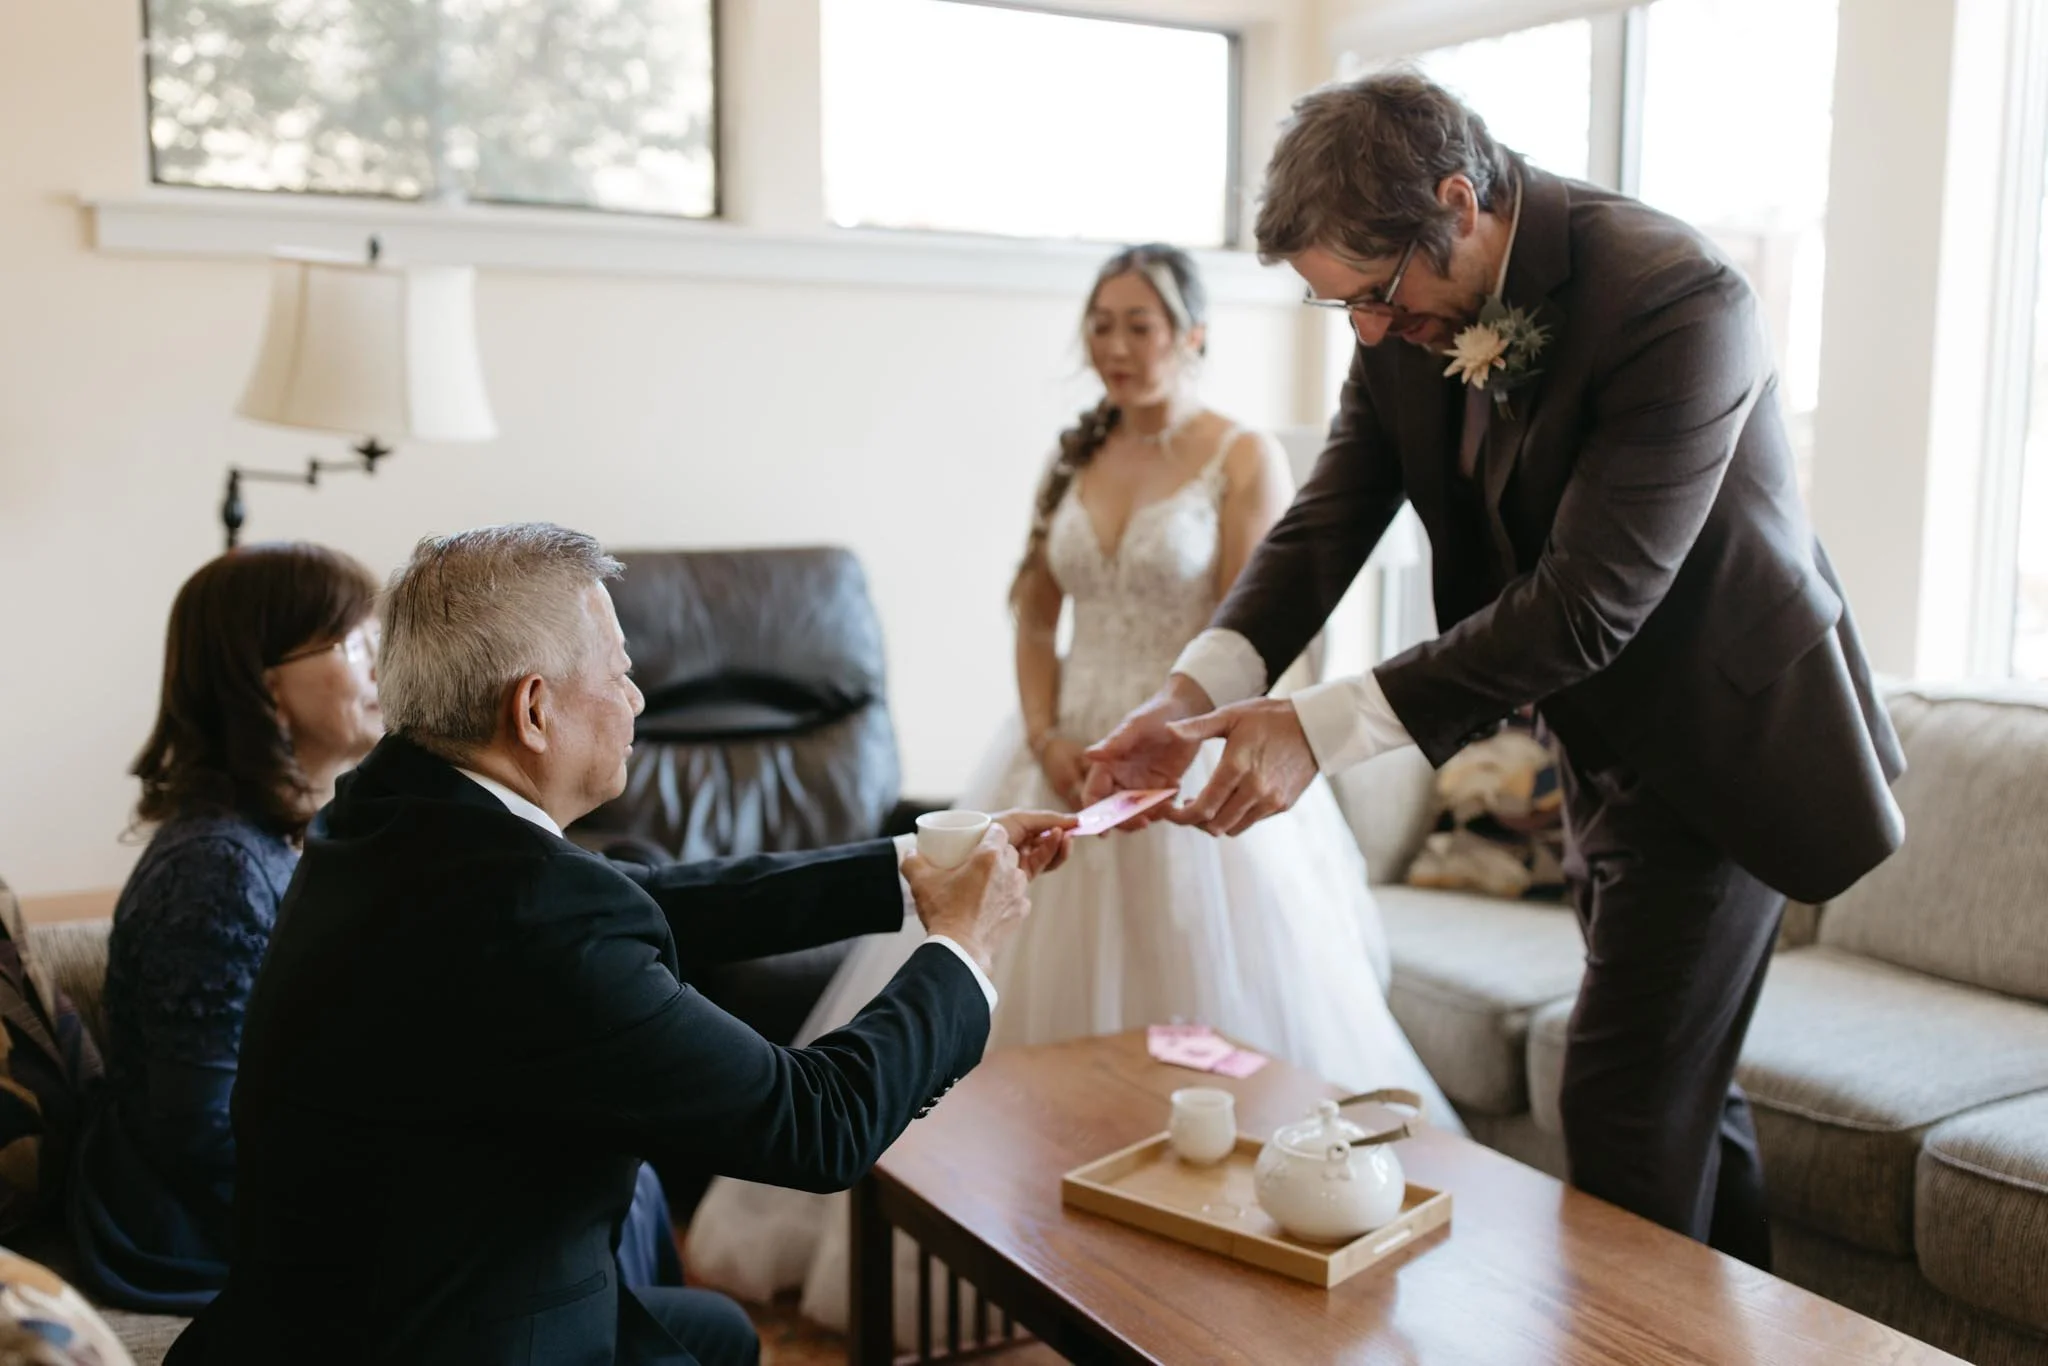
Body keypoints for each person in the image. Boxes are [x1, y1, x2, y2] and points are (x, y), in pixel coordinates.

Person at [1085, 73, 1905, 1270]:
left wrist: (1314, 728)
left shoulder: (1680, 300)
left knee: (1622, 1108)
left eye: (1371, 295)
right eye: (1337, 309)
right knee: (1684, 1104)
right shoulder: (1404, 312)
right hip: (1596, 744)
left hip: (1729, 749)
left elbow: (1588, 602)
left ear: (1457, 203)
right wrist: (1193, 689)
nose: (1365, 330)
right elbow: (1326, 521)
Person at [685, 244, 1458, 1337]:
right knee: (994, 994)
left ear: (1192, 335)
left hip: (1180, 763)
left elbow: (1269, 626)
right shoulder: (1076, 452)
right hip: (1056, 761)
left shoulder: (1240, 458)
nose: (1116, 346)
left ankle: (1200, 1253)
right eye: (1101, 324)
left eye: (1140, 323)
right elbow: (1035, 609)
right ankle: (1023, 1241)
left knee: (1199, 1017)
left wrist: (1182, 741)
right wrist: (1046, 732)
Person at [165, 523, 1071, 1366]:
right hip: (450, 1337)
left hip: (317, 1317)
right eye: (623, 671)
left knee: (714, 1331)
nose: (638, 698)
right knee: (711, 1335)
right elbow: (817, 1126)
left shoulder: (383, 814)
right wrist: (960, 945)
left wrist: (910, 865)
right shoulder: (533, 916)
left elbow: (638, 901)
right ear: (534, 710)